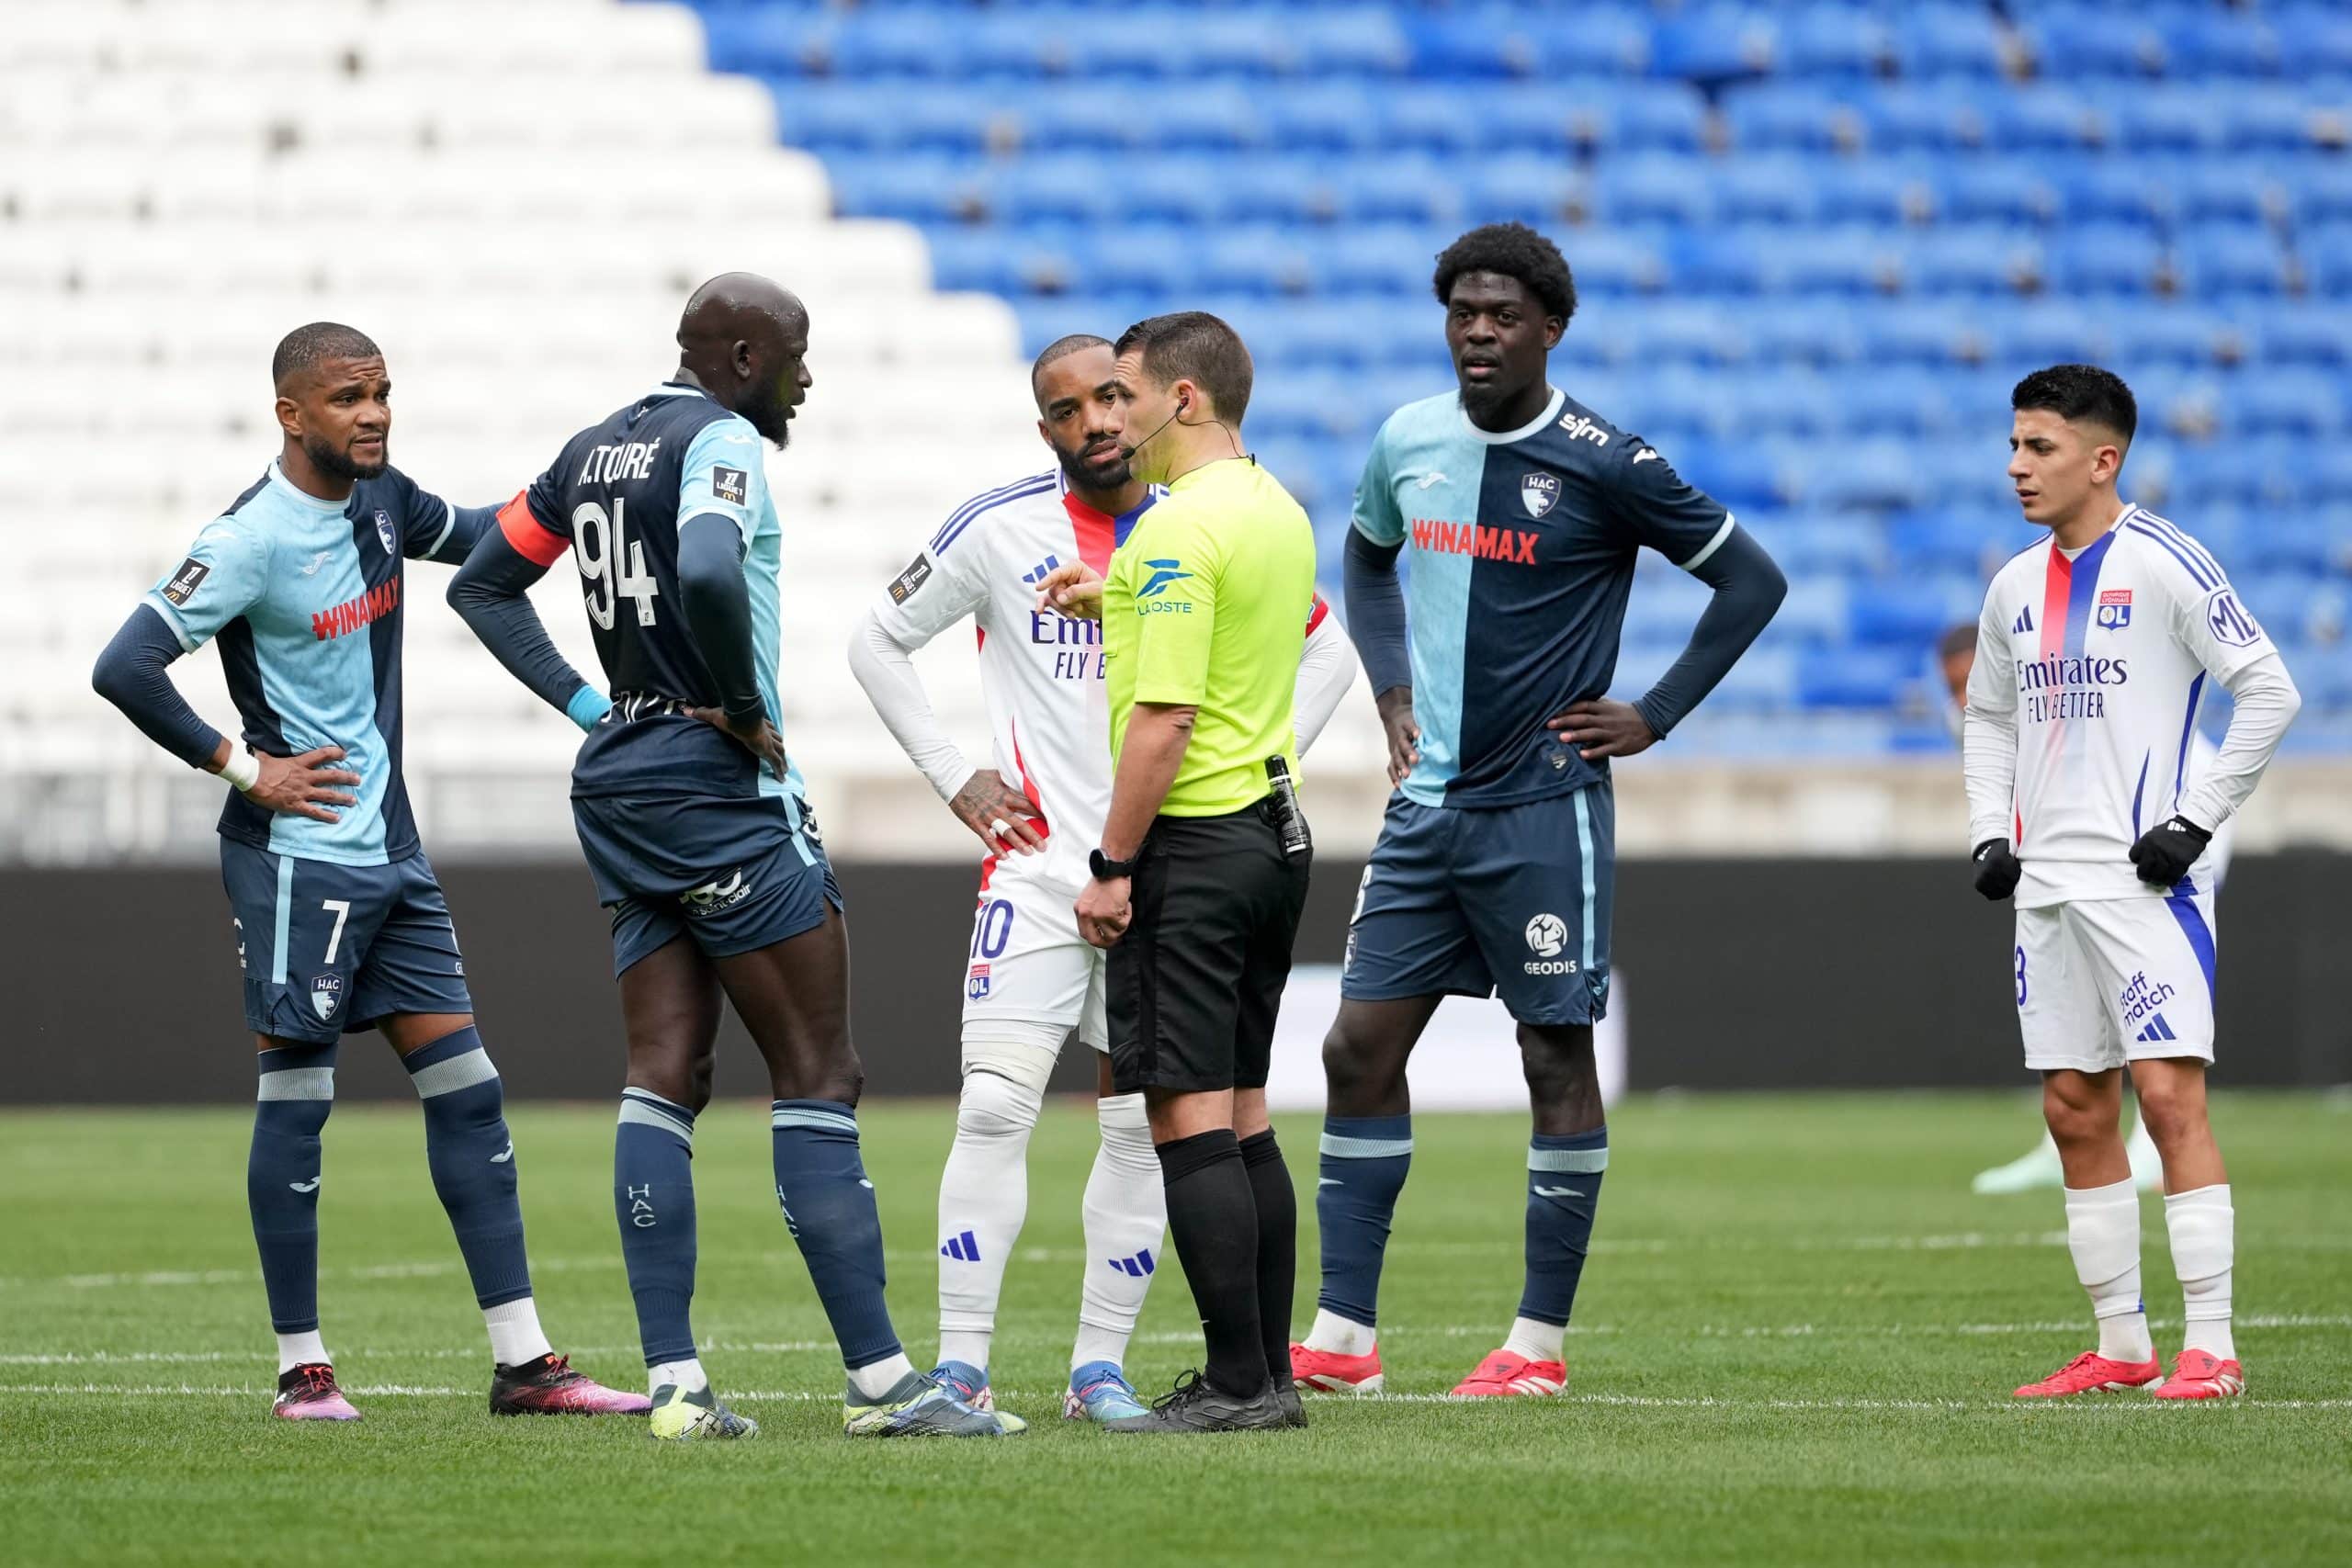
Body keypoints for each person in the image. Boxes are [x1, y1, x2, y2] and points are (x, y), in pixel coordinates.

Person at [446, 275, 1017, 1439]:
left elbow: (483, 582)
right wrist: (742, 705)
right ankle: (881, 1386)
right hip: (716, 785)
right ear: (746, 354)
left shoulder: (589, 449)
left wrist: (590, 705)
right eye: (799, 355)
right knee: (819, 1070)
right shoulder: (721, 442)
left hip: (619, 786)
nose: (808, 378)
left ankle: (675, 1385)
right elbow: (708, 566)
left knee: (664, 1071)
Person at [89, 322, 646, 1423]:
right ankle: (303, 1370)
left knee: (471, 1095)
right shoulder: (247, 540)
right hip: (299, 864)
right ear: (293, 415)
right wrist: (247, 769)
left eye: (383, 392)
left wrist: (585, 504)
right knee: (297, 1105)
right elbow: (125, 665)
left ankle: (526, 1366)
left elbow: (490, 537)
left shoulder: (387, 503)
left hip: (393, 857)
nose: (375, 413)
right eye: (348, 397)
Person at [1291, 223, 1787, 1399]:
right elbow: (1363, 561)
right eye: (1460, 311)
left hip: (1542, 809)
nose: (1476, 331)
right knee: (1357, 1048)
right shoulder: (1406, 438)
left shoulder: (1604, 460)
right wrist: (1392, 685)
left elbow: (1749, 579)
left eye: (1501, 314)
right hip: (1427, 810)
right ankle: (1344, 1339)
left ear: (1549, 329)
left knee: (1551, 1055)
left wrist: (1654, 713)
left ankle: (1535, 1347)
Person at [846, 333, 1359, 1423]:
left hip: (1156, 868)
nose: (1097, 421)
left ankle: (1099, 1372)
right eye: (1069, 407)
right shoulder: (1001, 528)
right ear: (1046, 428)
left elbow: (1329, 653)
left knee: (1144, 1125)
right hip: (1040, 873)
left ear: (1150, 400)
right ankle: (964, 1368)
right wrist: (955, 776)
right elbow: (877, 642)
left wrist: (1243, 772)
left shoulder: (1185, 523)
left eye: (1112, 396)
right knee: (992, 1106)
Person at [1964, 364, 2298, 1402]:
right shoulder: (2012, 585)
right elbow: (1988, 716)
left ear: (2102, 459)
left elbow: (2269, 691)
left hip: (2142, 885)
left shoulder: (2164, 563)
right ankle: (2120, 1345)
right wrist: (1987, 834)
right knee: (2073, 1106)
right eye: (2015, 445)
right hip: (2046, 889)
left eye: (2040, 448)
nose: (2017, 466)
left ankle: (2214, 1347)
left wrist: (2194, 822)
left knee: (2166, 1097)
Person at [1033, 310, 1320, 1434]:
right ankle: (1271, 1374)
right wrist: (1113, 598)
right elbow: (1245, 620)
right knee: (1246, 1113)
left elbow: (1161, 718)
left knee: (1186, 1116)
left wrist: (1112, 865)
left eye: (1130, 393)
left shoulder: (1164, 533)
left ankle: (1239, 1384)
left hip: (1195, 845)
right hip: (1273, 832)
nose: (1117, 415)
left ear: (1183, 401)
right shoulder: (1272, 506)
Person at [1940, 623, 2232, 1195]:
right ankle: (2066, 1141)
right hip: (2082, 831)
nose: (1962, 698)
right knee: (2071, 981)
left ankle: (2152, 1142)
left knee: (2146, 960)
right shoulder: (1980, 712)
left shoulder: (2054, 684)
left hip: (2173, 796)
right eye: (1953, 686)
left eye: (1967, 680)